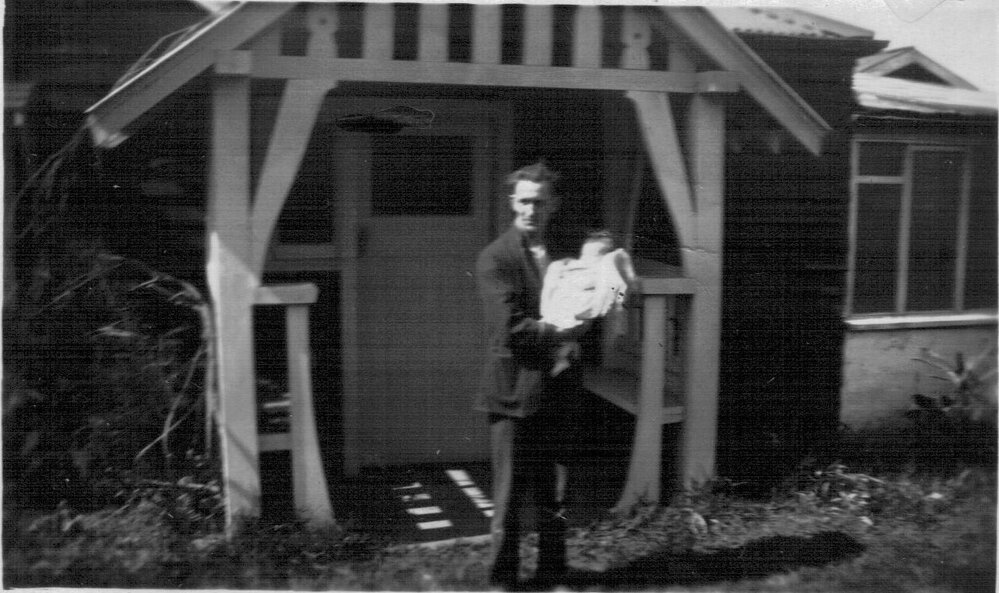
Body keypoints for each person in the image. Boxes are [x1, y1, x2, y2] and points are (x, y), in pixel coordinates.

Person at [475, 162, 590, 589]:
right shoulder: (495, 258)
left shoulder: (568, 253)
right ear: (512, 203)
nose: (530, 210)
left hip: (560, 387)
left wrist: (608, 299)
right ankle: (503, 579)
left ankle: (553, 573)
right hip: (514, 391)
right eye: (523, 201)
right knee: (509, 494)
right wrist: (563, 331)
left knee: (555, 491)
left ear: (553, 205)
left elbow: (601, 292)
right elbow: (511, 328)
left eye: (539, 202)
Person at [540, 230, 637, 376]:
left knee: (560, 329)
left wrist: (619, 302)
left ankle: (563, 354)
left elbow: (618, 287)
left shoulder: (606, 269)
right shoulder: (575, 266)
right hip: (565, 307)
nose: (587, 259)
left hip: (581, 309)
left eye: (594, 256)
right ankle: (562, 354)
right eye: (585, 255)